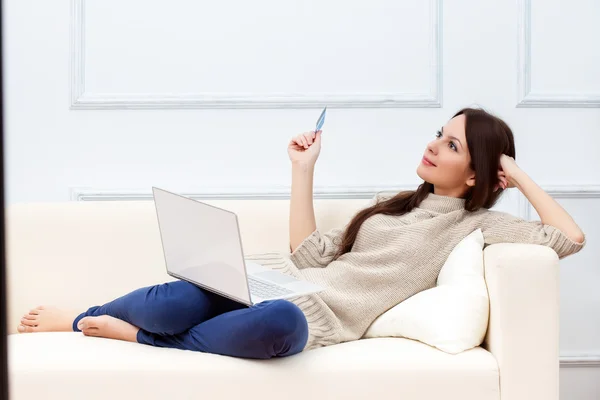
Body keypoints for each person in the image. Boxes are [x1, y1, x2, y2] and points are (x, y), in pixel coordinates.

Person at [17, 107, 586, 359]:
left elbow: (570, 239)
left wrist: (519, 175)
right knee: (184, 294)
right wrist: (302, 172)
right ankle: (80, 317)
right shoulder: (386, 208)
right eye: (439, 133)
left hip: (313, 316)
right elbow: (306, 255)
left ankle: (138, 339)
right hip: (275, 282)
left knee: (278, 327)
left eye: (452, 145)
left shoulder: (477, 225)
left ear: (479, 174)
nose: (434, 144)